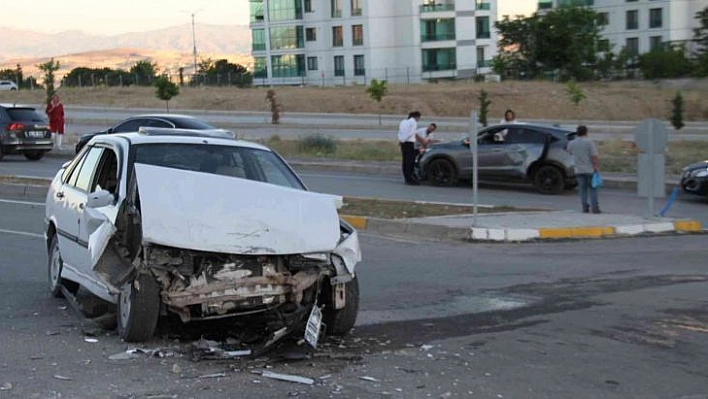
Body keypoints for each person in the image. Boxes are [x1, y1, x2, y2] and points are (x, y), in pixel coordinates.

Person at [567, 125, 601, 214]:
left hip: (578, 170)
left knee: (582, 190)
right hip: (589, 169)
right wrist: (596, 166)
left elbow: (569, 152)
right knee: (593, 189)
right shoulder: (589, 142)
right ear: (586, 132)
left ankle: (584, 207)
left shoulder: (572, 143)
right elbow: (594, 156)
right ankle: (595, 208)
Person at [397, 111, 424, 185]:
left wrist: (401, 140)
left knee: (405, 160)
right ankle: (410, 179)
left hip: (403, 142)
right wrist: (404, 140)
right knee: (410, 161)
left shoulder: (403, 122)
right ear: (416, 117)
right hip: (409, 142)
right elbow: (411, 133)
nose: (418, 119)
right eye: (418, 118)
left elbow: (400, 132)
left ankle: (406, 177)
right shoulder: (413, 122)